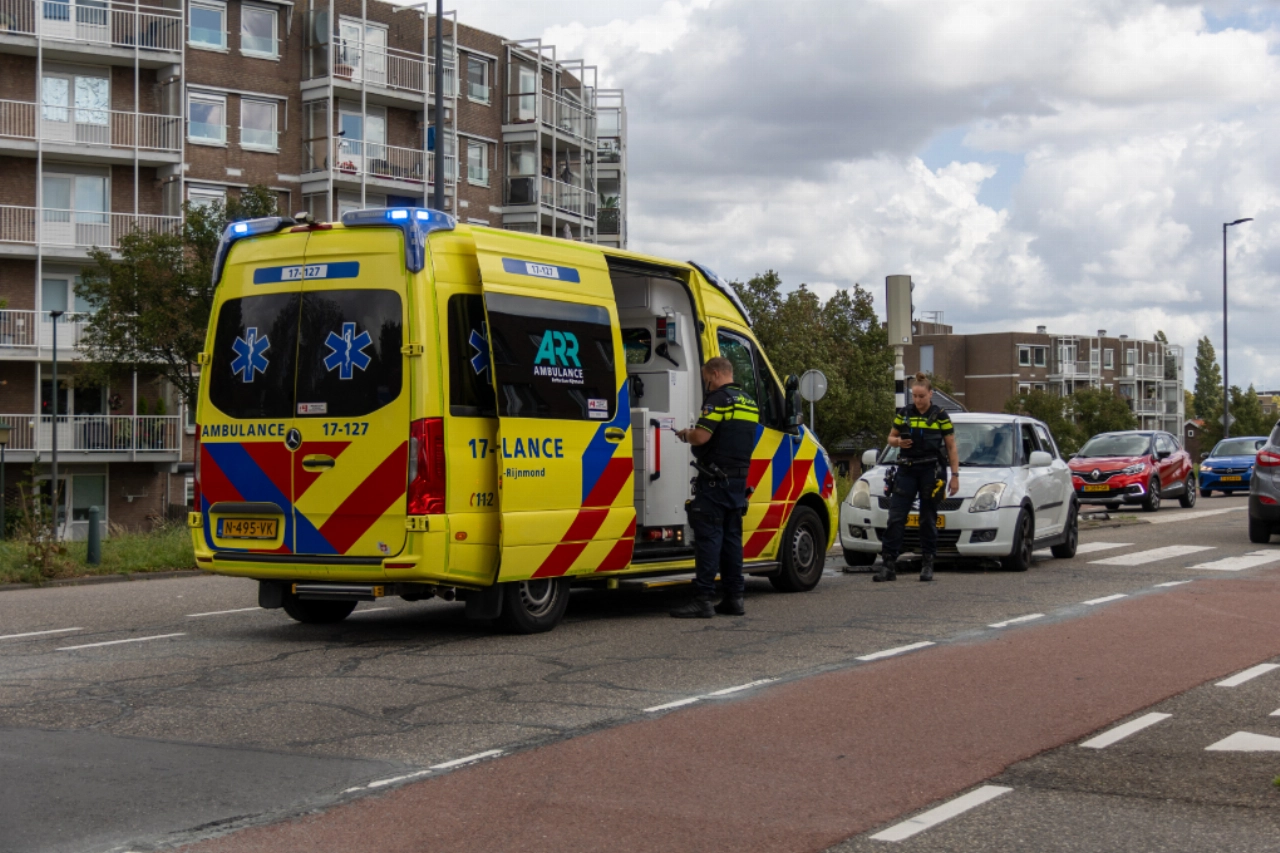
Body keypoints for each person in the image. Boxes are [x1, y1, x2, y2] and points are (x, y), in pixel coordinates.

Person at [670, 357, 758, 618]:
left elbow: (702, 436)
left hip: (715, 481)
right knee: (732, 541)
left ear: (716, 373)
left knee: (709, 539)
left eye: (707, 377)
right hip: (738, 481)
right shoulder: (749, 402)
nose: (706, 383)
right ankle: (734, 598)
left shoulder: (718, 400)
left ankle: (703, 599)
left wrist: (686, 434)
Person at [876, 372, 960, 583]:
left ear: (930, 394)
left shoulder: (941, 415)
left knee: (927, 518)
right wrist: (897, 443)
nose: (917, 400)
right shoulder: (904, 413)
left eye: (921, 396)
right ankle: (888, 565)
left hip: (930, 471)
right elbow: (890, 437)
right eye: (914, 396)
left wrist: (955, 476)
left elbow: (951, 447)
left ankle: (927, 563)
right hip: (906, 470)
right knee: (896, 517)